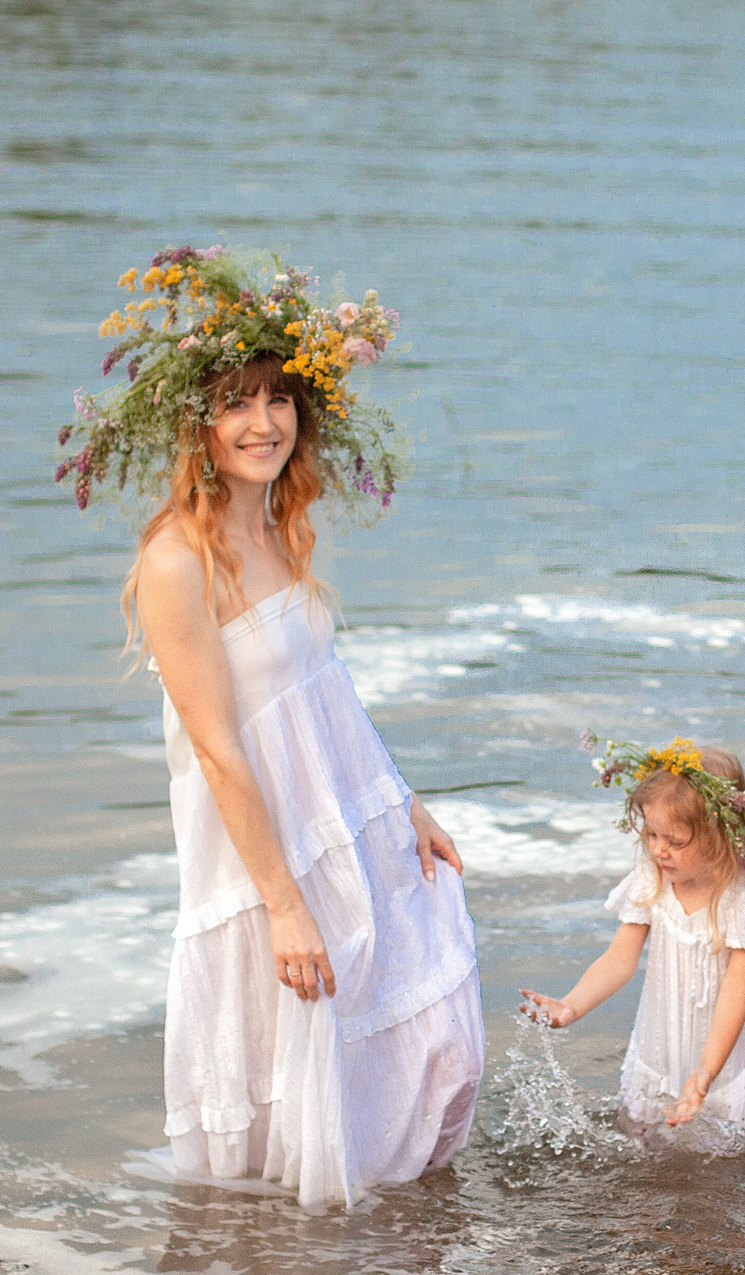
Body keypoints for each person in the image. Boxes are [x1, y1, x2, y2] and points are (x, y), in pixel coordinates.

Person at [59, 245, 481, 1210]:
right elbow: (215, 745)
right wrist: (285, 903)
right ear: (197, 425)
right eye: (238, 404)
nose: (262, 423)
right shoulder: (178, 561)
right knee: (302, 1052)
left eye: (278, 400)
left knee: (436, 1030)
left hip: (340, 810)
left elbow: (322, 684)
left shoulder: (278, 524)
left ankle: (364, 1230)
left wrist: (404, 797)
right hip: (263, 851)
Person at [520, 735, 745, 1132]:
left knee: (732, 1159)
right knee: (650, 1149)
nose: (659, 851)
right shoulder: (652, 882)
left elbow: (736, 992)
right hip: (661, 1047)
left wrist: (706, 1073)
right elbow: (619, 959)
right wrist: (572, 1006)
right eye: (651, 835)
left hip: (725, 1060)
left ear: (720, 836)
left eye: (675, 841)